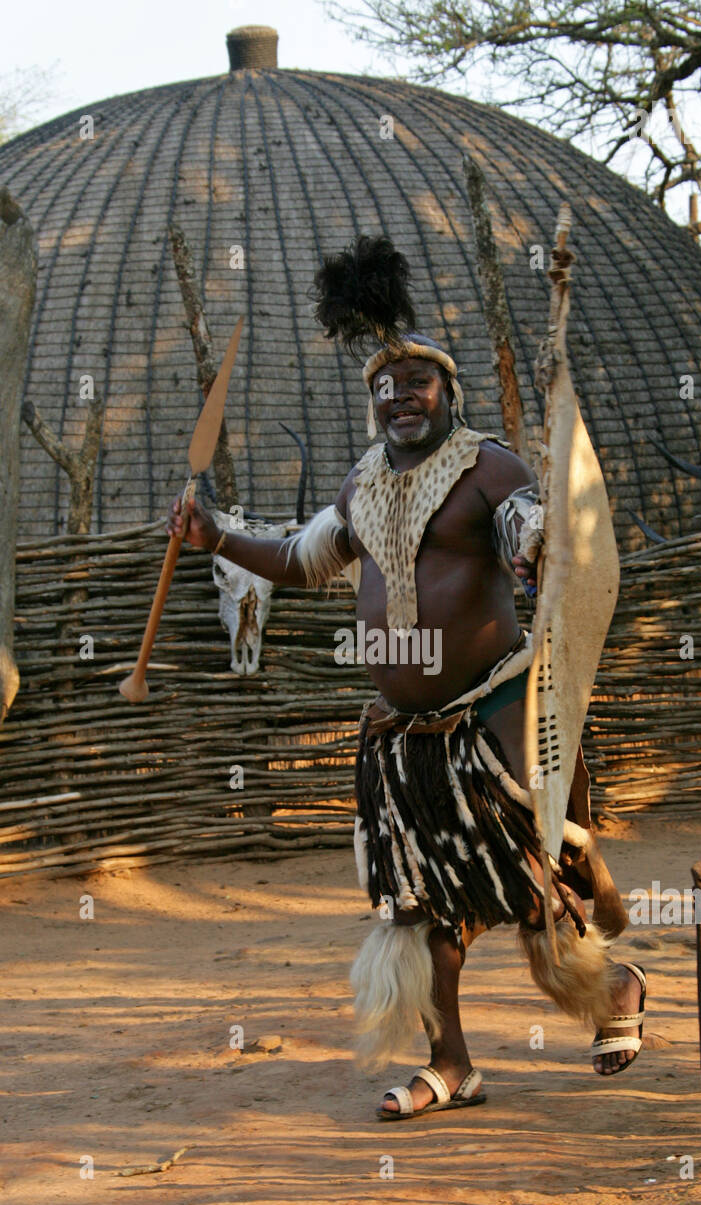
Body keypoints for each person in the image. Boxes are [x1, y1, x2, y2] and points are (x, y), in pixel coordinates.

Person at [167, 236, 647, 1121]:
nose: (400, 400)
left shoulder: (486, 466)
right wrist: (217, 538)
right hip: (399, 733)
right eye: (385, 390)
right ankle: (452, 1065)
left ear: (445, 392)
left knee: (536, 874)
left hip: (496, 708)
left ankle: (612, 985)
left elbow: (534, 535)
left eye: (416, 385)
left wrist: (538, 548)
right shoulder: (358, 489)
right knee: (419, 905)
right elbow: (296, 559)